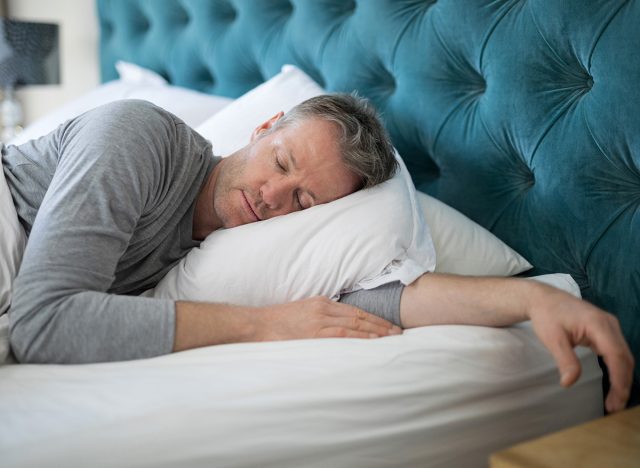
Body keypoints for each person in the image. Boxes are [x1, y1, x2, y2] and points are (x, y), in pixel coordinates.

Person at [1, 95, 633, 414]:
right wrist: (264, 326)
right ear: (263, 126)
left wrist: (532, 296)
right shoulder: (138, 137)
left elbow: (380, 298)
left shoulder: (232, 250)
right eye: (280, 161)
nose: (273, 198)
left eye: (304, 200)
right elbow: (45, 322)